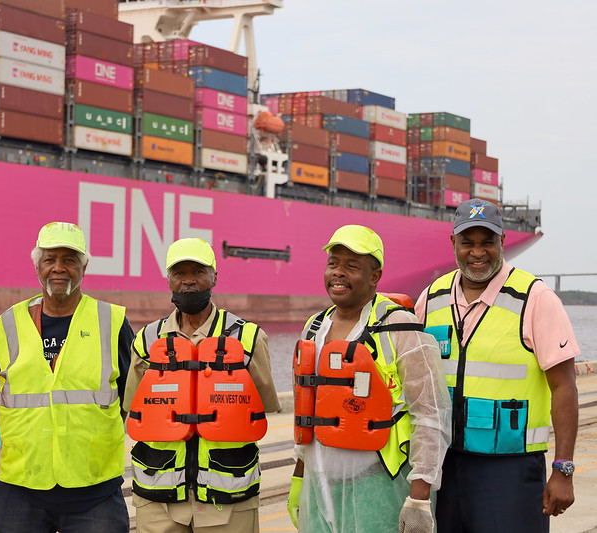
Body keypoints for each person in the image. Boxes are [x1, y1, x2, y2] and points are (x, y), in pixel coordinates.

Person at [414, 198, 579, 532]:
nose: (478, 252)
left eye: (487, 241)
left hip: (510, 472)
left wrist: (563, 468)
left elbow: (564, 386)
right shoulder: (430, 298)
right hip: (443, 467)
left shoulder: (535, 298)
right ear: (453, 243)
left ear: (502, 241)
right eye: (468, 243)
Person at [287, 224, 451, 532]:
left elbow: (432, 416)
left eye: (352, 266)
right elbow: (306, 413)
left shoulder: (400, 328)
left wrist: (419, 497)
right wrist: (299, 478)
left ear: (374, 277)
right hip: (320, 486)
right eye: (333, 263)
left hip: (379, 490)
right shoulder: (313, 328)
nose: (338, 273)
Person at [123, 237, 281, 532]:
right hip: (159, 497)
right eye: (179, 274)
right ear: (168, 280)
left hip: (228, 495)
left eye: (198, 272)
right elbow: (133, 407)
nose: (188, 282)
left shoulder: (247, 338)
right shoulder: (146, 340)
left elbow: (265, 407)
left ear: (214, 277)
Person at [0, 221, 134, 533]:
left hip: (94, 490)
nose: (58, 268)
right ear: (36, 266)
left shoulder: (112, 322)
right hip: (21, 488)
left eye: (69, 260)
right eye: (49, 259)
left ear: (84, 267)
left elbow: (127, 399)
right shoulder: (5, 326)